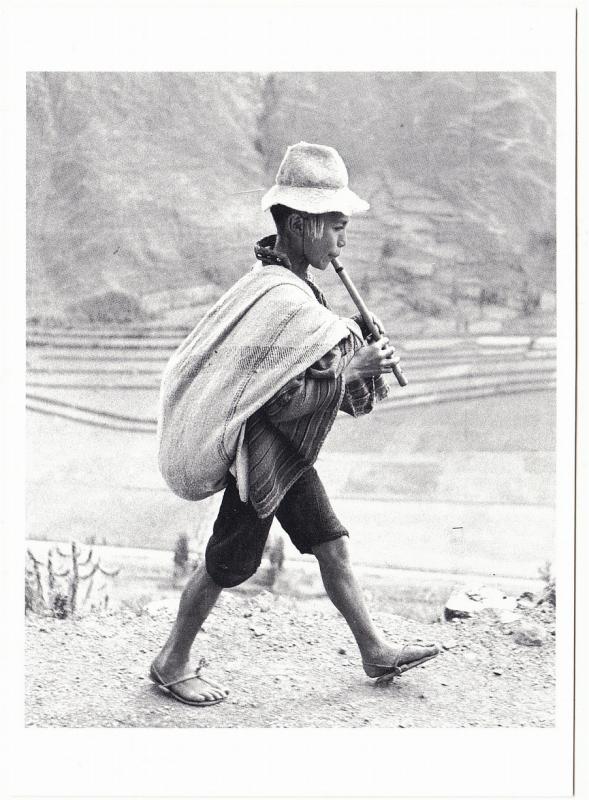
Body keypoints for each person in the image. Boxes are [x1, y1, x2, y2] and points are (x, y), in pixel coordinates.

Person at [151, 142, 438, 706]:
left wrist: (349, 332)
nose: (341, 239)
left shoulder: (289, 290)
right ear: (303, 225)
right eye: (334, 225)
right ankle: (171, 660)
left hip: (286, 456)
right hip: (257, 462)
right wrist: (353, 362)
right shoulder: (282, 298)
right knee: (227, 563)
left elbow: (300, 368)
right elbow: (281, 401)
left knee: (330, 544)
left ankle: (374, 650)